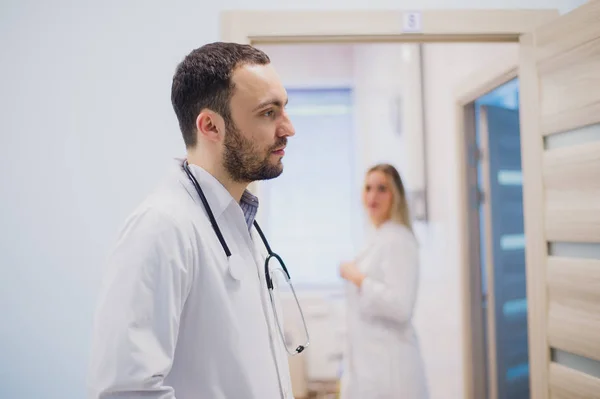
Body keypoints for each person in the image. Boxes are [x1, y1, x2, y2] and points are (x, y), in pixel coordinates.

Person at [87, 42, 297, 399]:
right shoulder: (161, 228)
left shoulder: (242, 222)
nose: (288, 129)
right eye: (268, 113)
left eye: (284, 110)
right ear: (211, 126)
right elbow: (125, 391)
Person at [338, 163, 428, 399]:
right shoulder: (379, 237)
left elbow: (401, 307)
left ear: (395, 196)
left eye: (382, 188)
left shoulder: (398, 239)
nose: (372, 196)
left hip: (391, 371)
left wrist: (358, 278)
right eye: (368, 188)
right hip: (372, 367)